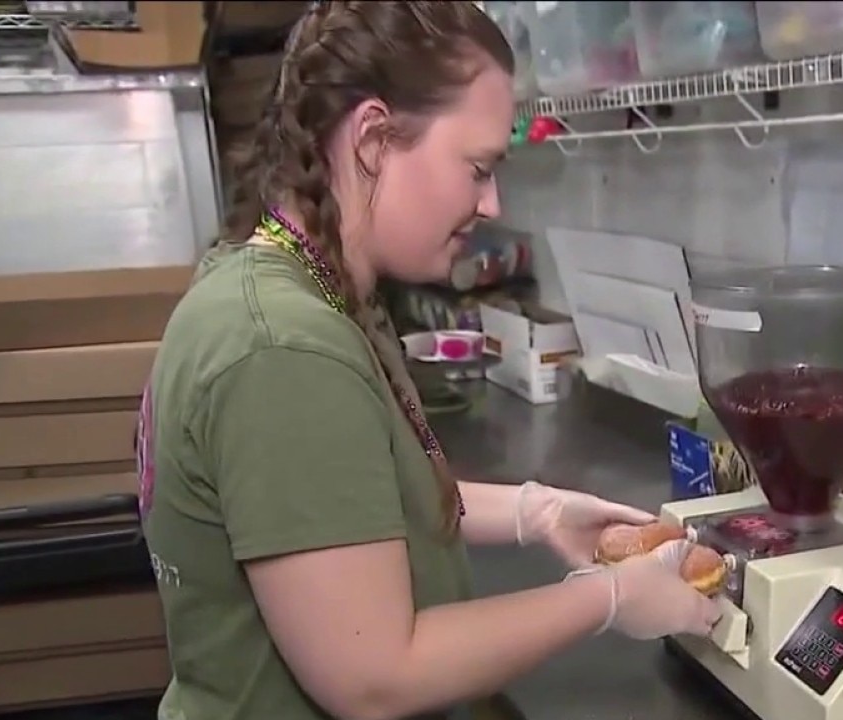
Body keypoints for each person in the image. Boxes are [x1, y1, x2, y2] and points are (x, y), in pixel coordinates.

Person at [134, 3, 721, 720]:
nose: (492, 202)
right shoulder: (283, 349)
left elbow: (344, 502)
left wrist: (536, 512)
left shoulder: (303, 288)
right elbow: (378, 676)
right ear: (374, 139)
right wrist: (609, 599)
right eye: (478, 168)